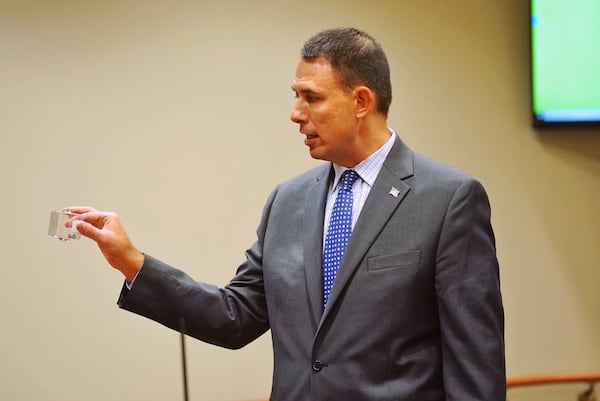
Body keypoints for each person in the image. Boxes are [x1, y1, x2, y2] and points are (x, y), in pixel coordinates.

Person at [66, 27, 505, 401]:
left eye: (311, 98)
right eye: (296, 97)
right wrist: (131, 261)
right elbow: (234, 317)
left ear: (361, 101)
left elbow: (475, 366)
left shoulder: (449, 200)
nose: (296, 114)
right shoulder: (287, 202)